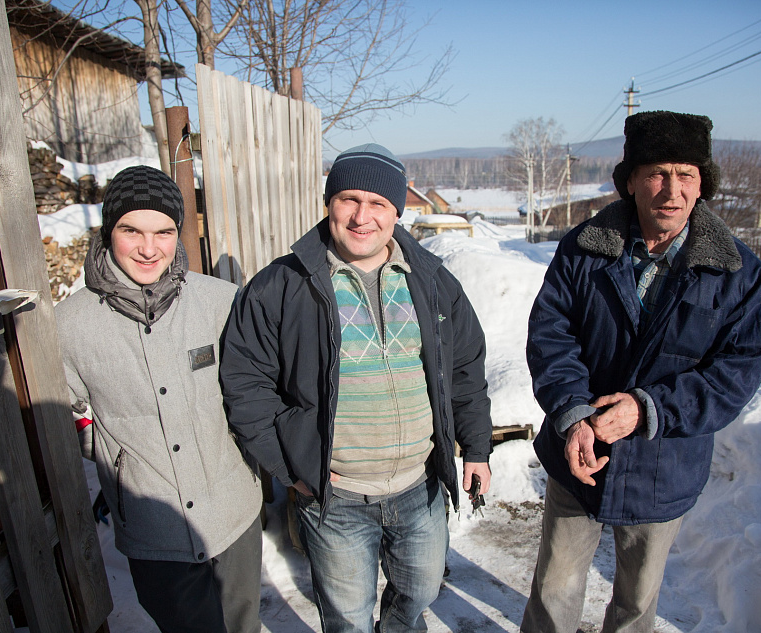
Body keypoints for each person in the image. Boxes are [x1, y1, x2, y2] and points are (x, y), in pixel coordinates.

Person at [220, 143, 493, 633]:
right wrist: (292, 469)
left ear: (396, 211)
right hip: (334, 495)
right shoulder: (280, 286)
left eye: (378, 204)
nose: (362, 216)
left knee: (421, 592)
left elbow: (466, 368)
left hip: (419, 485)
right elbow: (245, 386)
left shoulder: (431, 280)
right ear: (329, 203)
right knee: (347, 618)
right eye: (349, 199)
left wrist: (476, 448)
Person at [520, 111, 761, 633]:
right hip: (578, 454)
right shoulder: (583, 249)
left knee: (637, 603)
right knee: (554, 590)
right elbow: (551, 336)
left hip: (665, 464)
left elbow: (734, 373)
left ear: (703, 185)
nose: (671, 190)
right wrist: (575, 414)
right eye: (656, 172)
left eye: (686, 174)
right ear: (630, 179)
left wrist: (646, 408)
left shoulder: (737, 273)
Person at [55, 165, 263, 633]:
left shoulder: (221, 301)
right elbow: (60, 414)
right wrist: (110, 451)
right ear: (109, 231)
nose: (150, 249)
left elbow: (256, 387)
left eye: (164, 232)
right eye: (132, 231)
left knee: (242, 625)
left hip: (233, 510)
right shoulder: (68, 325)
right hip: (152, 525)